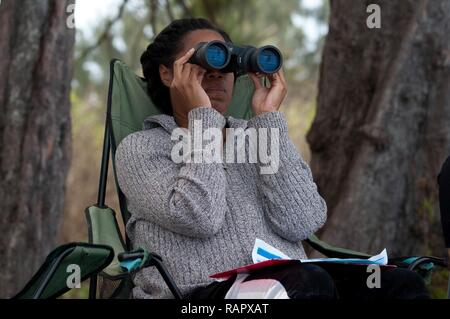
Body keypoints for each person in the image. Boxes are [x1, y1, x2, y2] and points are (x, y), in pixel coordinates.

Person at [115, 18, 429, 299]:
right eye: (202, 61)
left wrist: (267, 120)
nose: (215, 73)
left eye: (224, 61)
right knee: (307, 281)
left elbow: (303, 220)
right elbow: (200, 216)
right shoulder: (141, 149)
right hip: (198, 295)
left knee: (400, 285)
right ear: (168, 73)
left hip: (292, 284)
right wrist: (203, 121)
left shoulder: (257, 136)